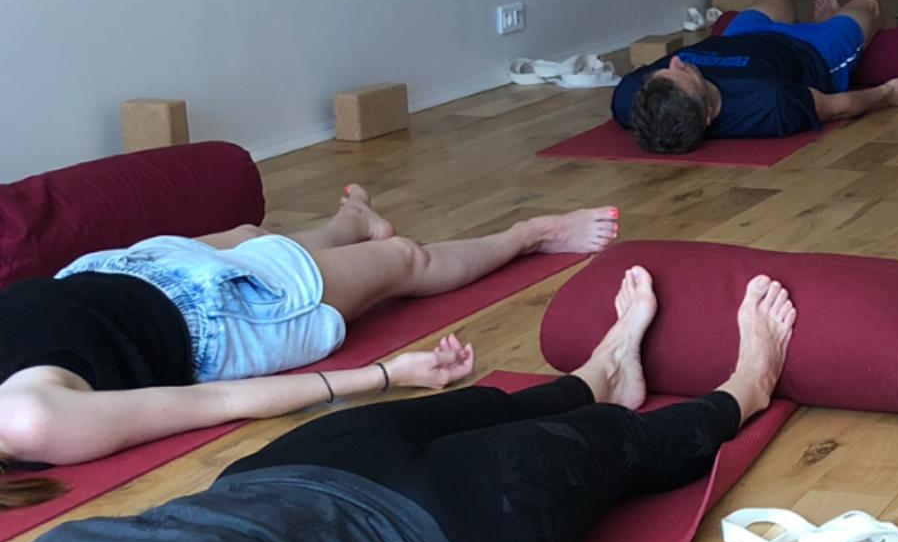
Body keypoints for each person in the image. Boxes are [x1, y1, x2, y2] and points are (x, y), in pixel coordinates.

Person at [0, 265, 796, 542]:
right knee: (616, 445)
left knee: (492, 404)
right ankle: (745, 388)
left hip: (273, 484)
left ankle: (600, 374)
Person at [0, 188, 619, 497]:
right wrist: (386, 374)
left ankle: (351, 222)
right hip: (223, 316)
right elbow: (218, 401)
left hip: (113, 273)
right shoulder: (32, 421)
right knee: (404, 260)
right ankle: (530, 236)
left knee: (250, 233)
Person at [616, 0, 898, 154]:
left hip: (740, 35)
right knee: (868, 3)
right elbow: (838, 106)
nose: (675, 62)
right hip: (813, 49)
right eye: (683, 72)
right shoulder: (769, 103)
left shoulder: (631, 99)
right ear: (708, 115)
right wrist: (888, 93)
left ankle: (822, 16)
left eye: (668, 69)